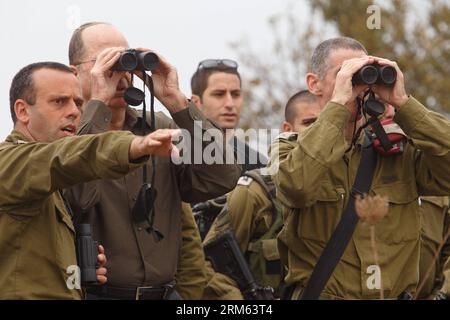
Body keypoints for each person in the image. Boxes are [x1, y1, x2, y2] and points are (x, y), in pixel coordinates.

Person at [64, 22, 241, 300]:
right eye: (105, 62)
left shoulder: (160, 129)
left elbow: (222, 176)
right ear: (75, 73)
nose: (120, 73)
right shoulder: (64, 137)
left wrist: (176, 101)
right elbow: (76, 197)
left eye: (124, 59)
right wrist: (97, 104)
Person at [268, 37, 450, 299]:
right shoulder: (290, 151)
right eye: (344, 73)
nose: (358, 84)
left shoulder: (398, 152)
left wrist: (403, 103)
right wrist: (338, 106)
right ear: (314, 84)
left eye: (361, 74)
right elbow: (297, 187)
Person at [0, 61, 179, 299]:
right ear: (22, 111)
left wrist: (74, 265)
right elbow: (68, 157)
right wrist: (134, 145)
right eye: (59, 101)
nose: (74, 111)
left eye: (78, 103)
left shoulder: (48, 177)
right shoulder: (9, 161)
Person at [202, 90, 321, 300]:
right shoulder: (257, 192)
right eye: (309, 123)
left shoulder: (352, 185)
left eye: (323, 123)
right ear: (288, 129)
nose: (318, 131)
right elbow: (208, 263)